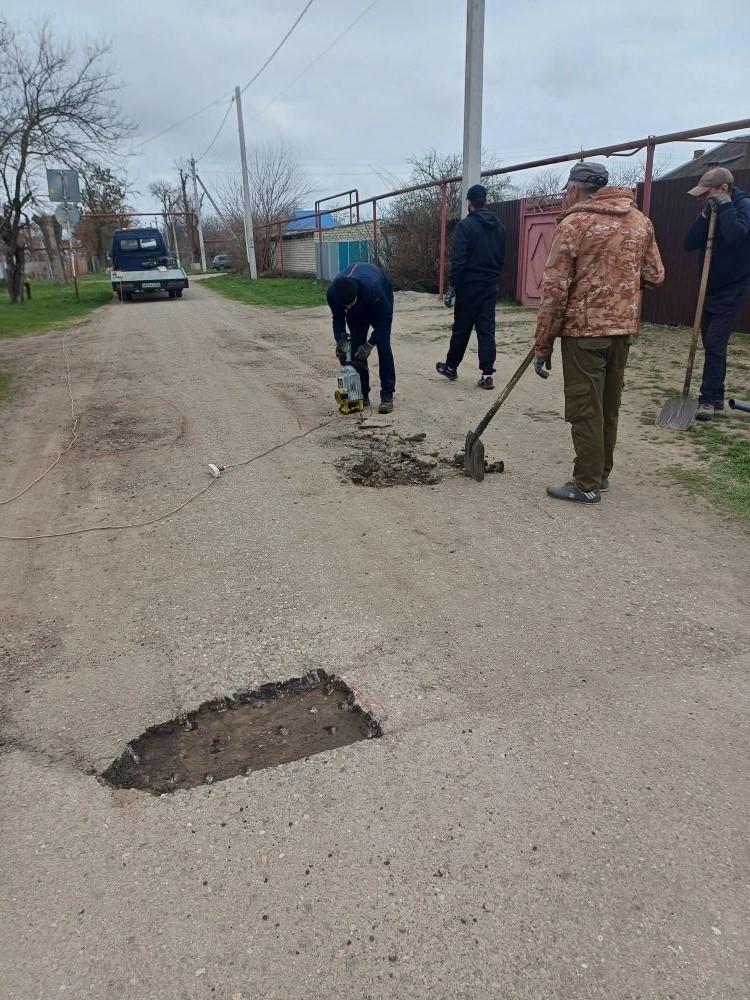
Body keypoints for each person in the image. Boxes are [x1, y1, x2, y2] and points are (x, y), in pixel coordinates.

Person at [533, 161, 665, 504]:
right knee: (608, 403)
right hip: (623, 329)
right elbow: (654, 275)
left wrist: (543, 344)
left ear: (575, 188)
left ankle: (586, 483)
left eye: (567, 190)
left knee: (585, 405)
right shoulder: (640, 222)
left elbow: (555, 289)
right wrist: (618, 288)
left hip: (584, 331)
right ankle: (602, 472)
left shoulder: (574, 224)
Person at [683, 166, 750, 420]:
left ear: (724, 189)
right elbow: (688, 243)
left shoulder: (744, 206)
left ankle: (708, 400)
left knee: (714, 344)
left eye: (706, 193)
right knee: (710, 344)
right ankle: (717, 395)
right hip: (708, 289)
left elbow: (736, 236)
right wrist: (704, 214)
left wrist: (725, 207)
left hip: (732, 289)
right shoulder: (709, 209)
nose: (702, 197)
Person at [436, 183, 505, 390]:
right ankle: (487, 374)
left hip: (469, 286)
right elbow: (502, 258)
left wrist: (452, 286)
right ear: (485, 201)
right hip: (490, 285)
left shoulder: (466, 226)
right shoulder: (499, 227)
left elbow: (458, 259)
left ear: (469, 202)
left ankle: (451, 367)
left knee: (462, 328)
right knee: (486, 329)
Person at [327, 262, 396, 414]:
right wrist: (341, 340)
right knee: (356, 347)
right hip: (357, 313)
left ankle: (387, 395)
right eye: (345, 307)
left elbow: (385, 320)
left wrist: (370, 344)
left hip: (377, 304)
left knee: (383, 346)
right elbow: (337, 319)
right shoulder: (333, 294)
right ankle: (362, 394)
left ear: (356, 295)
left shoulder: (375, 288)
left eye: (350, 304)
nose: (348, 308)